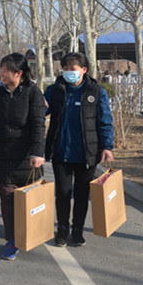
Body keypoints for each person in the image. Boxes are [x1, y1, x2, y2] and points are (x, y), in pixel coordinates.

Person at [45, 52, 114, 247]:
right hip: (61, 152)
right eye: (65, 68)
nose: (68, 72)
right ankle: (62, 230)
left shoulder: (96, 92)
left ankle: (77, 231)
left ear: (84, 70)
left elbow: (105, 121)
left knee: (82, 195)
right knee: (63, 193)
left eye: (72, 69)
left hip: (87, 154)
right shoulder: (54, 90)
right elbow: (40, 110)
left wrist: (107, 146)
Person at [0, 53, 46, 261]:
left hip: (27, 156)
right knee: (7, 197)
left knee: (28, 197)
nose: (1, 74)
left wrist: (37, 152)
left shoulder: (33, 93)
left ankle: (29, 231)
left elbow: (39, 124)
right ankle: (11, 239)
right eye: (1, 70)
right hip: (3, 152)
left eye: (5, 70)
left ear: (18, 73)